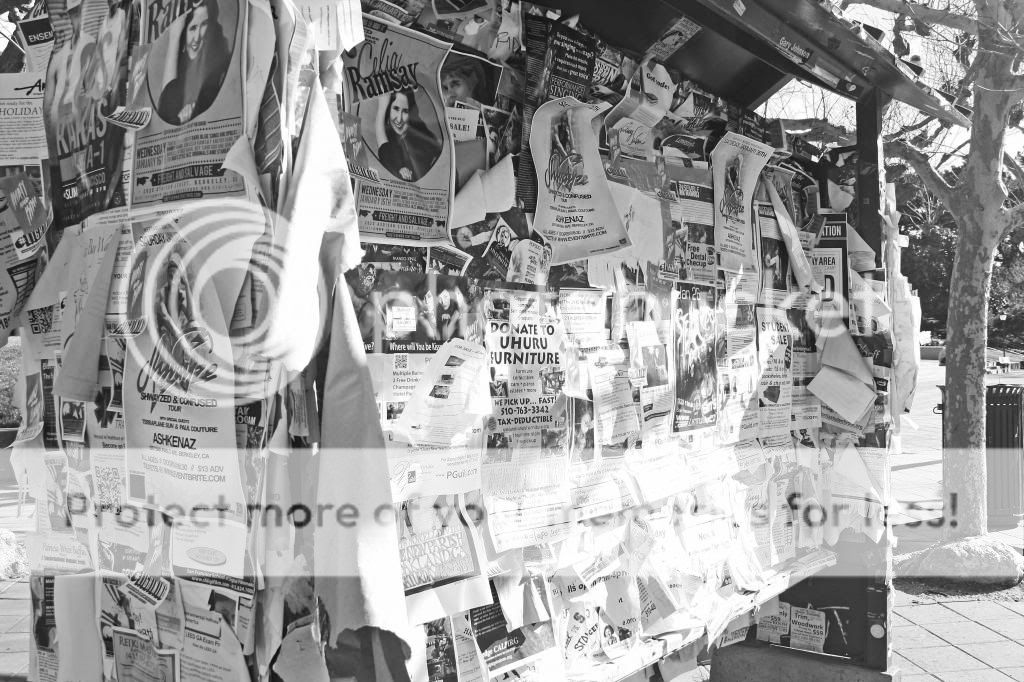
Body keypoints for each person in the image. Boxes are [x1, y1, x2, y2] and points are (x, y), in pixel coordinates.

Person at [157, 0, 231, 125]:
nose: (197, 38)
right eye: (192, 28)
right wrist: (179, 120)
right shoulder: (176, 83)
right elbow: (165, 112)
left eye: (204, 25)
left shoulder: (222, 67)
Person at [378, 89, 442, 182]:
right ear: (389, 110)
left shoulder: (425, 141)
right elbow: (383, 147)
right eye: (396, 109)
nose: (399, 119)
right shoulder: (390, 145)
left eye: (405, 111)